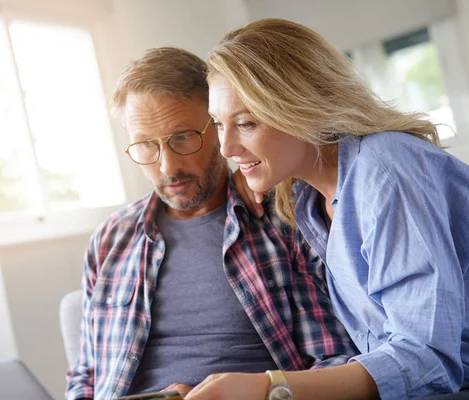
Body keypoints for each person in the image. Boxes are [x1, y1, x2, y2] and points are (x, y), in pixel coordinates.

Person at [186, 18, 469, 400]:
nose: (227, 149)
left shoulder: (384, 168)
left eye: (245, 123)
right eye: (219, 125)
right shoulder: (309, 204)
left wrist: (271, 387)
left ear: (300, 106)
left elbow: (427, 359)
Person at [64, 46, 358, 400]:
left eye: (183, 137)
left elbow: (335, 360)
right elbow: (86, 376)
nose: (168, 166)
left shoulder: (283, 219)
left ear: (219, 125)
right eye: (145, 145)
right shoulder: (111, 240)